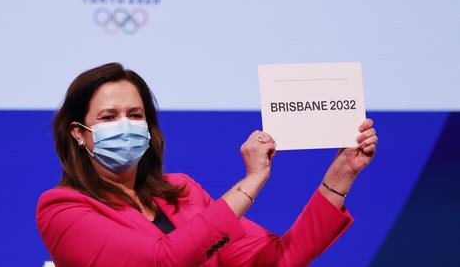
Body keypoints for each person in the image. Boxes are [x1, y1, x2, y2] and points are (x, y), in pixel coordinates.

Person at [36, 63, 378, 266]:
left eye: (135, 115)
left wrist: (342, 173)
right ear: (79, 133)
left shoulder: (182, 191)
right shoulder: (62, 209)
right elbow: (163, 261)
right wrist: (254, 178)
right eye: (109, 117)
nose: (125, 125)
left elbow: (276, 260)